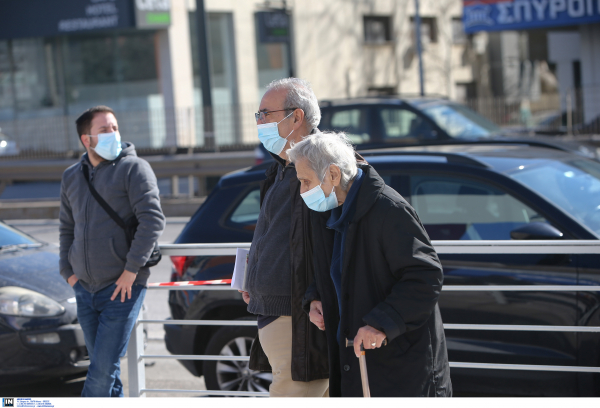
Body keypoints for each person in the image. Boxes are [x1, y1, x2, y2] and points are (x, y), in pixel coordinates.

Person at [287, 132, 452, 397]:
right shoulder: (329, 210)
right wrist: (315, 297)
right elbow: (336, 269)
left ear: (332, 174)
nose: (303, 191)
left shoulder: (389, 210)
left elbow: (425, 276)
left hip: (401, 368)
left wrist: (381, 323)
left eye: (306, 182)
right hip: (357, 361)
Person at [59, 106, 165, 397]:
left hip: (123, 288)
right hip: (84, 289)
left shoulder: (134, 168)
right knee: (106, 372)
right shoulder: (71, 176)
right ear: (87, 139)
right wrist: (67, 272)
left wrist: (131, 271)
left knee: (101, 371)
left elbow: (153, 220)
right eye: (105, 130)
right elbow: (66, 228)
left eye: (115, 128)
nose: (113, 134)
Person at [239, 78, 330, 397]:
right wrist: (252, 277)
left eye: (265, 113)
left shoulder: (322, 165)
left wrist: (317, 293)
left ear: (296, 117)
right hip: (277, 308)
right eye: (258, 115)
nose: (259, 121)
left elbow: (330, 239)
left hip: (300, 311)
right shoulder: (280, 167)